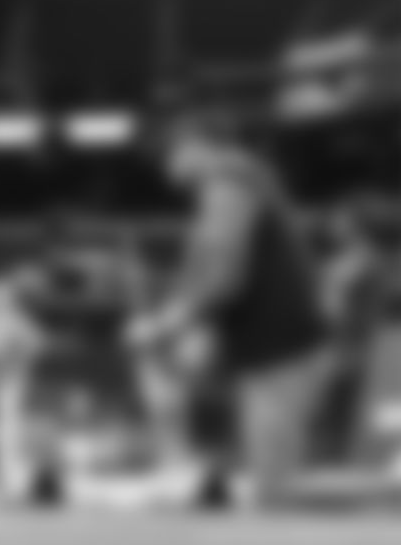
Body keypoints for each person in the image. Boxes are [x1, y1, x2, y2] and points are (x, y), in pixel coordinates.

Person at [125, 108, 333, 511]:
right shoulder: (237, 183)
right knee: (268, 490)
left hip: (283, 352)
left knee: (273, 499)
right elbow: (209, 271)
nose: (166, 169)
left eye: (169, 155)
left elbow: (223, 274)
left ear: (195, 145)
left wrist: (166, 325)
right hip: (277, 351)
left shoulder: (229, 181)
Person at [315, 201, 388, 464]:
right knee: (328, 412)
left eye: (339, 220)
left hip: (345, 344)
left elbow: (347, 309)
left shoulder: (363, 261)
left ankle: (330, 463)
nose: (333, 226)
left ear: (355, 225)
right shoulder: (346, 260)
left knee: (334, 412)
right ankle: (328, 460)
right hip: (336, 344)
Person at [0, 263, 48, 501]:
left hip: (20, 384)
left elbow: (37, 344)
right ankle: (8, 482)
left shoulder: (20, 321)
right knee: (3, 430)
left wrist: (18, 350)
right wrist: (1, 353)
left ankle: (20, 482)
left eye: (2, 297)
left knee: (15, 430)